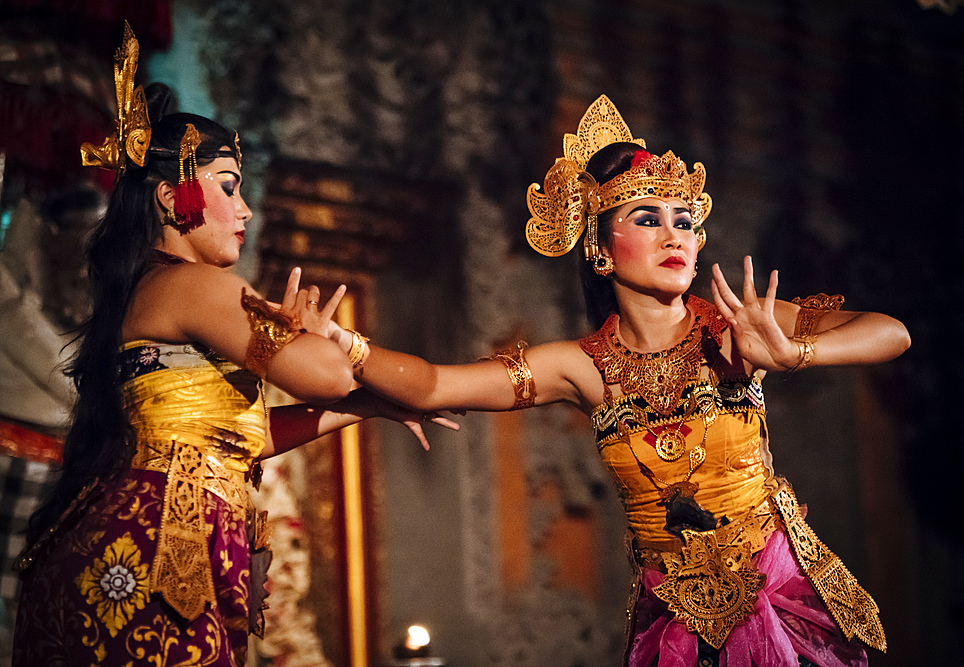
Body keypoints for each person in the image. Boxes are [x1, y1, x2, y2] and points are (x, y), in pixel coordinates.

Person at [330, 96, 910, 666]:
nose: (674, 235)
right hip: (672, 623)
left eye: (683, 222)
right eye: (648, 219)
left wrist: (797, 352)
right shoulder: (582, 367)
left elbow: (891, 332)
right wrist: (345, 345)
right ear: (601, 249)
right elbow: (433, 386)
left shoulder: (736, 325)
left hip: (775, 598)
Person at [10, 25, 452, 667]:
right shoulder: (194, 285)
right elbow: (326, 374)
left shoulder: (149, 290)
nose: (243, 209)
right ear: (172, 197)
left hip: (124, 542)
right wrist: (323, 339)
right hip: (155, 552)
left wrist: (369, 407)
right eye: (227, 186)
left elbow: (235, 438)